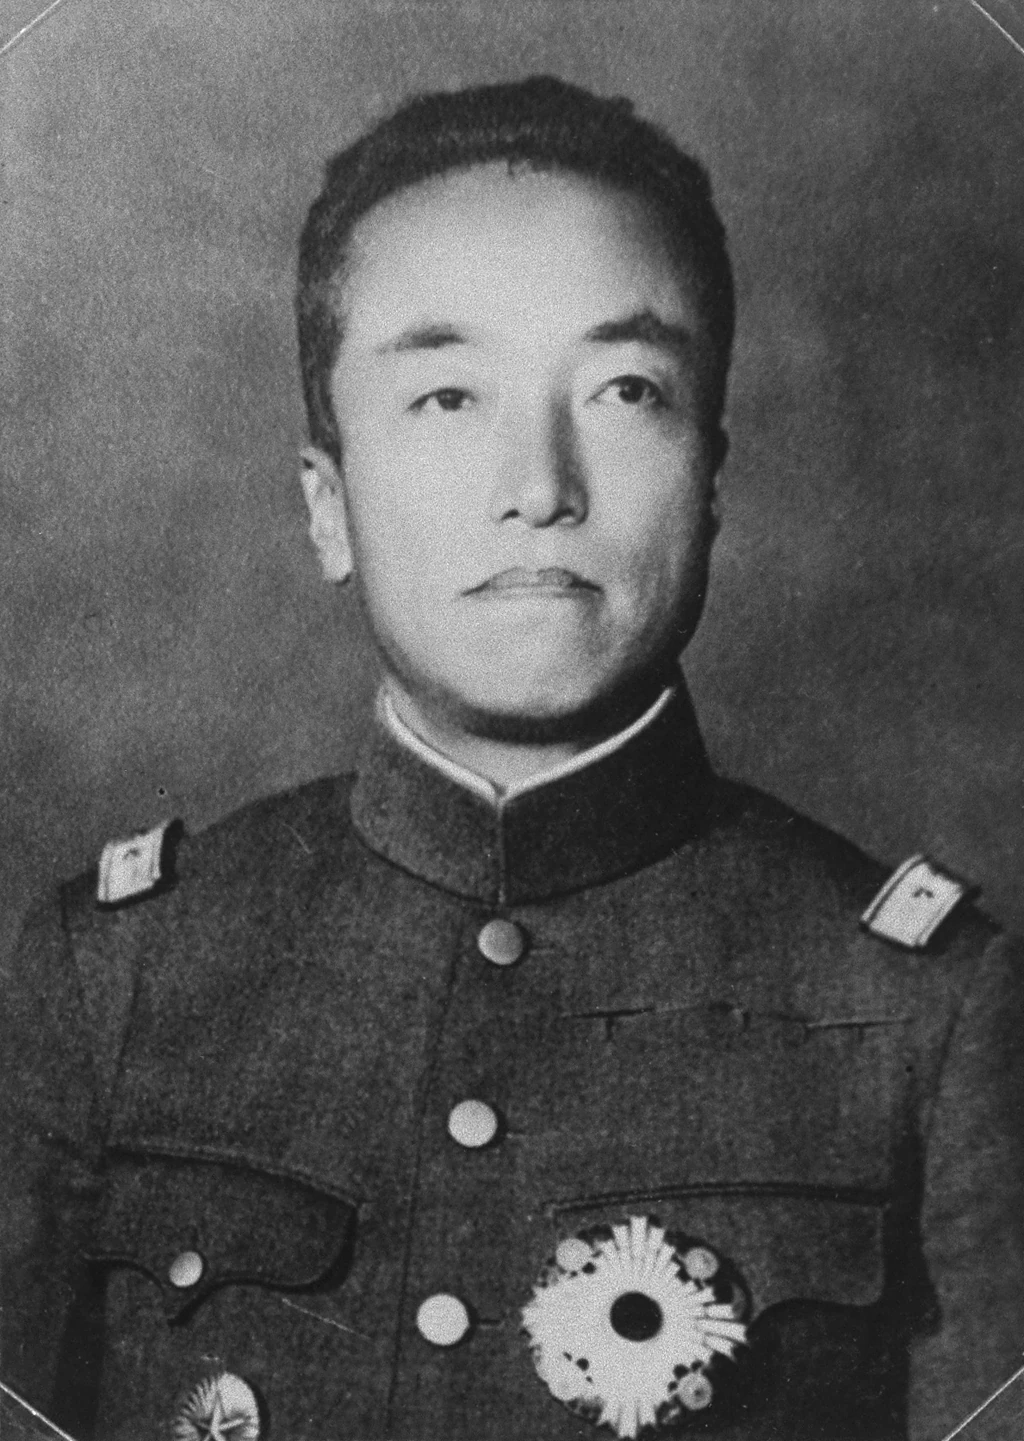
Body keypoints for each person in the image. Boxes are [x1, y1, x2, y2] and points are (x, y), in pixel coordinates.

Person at [1, 75, 1021, 1441]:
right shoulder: (114, 980)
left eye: (624, 389)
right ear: (328, 506)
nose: (540, 486)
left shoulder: (923, 1009)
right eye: (446, 396)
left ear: (711, 483)